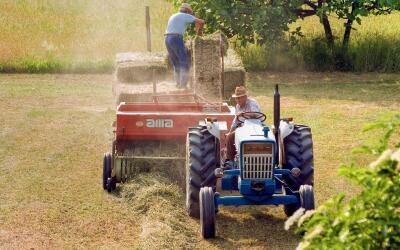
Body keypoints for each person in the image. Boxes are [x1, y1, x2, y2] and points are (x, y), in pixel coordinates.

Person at [165, 3, 205, 89]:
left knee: (176, 63)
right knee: (184, 62)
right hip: (176, 38)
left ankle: (178, 84)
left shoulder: (173, 15)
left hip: (167, 39)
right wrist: (199, 33)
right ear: (187, 11)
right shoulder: (185, 15)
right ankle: (183, 85)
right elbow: (201, 22)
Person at [226, 86, 262, 162]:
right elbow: (235, 121)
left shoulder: (252, 103)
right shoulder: (238, 106)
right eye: (236, 98)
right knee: (229, 137)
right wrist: (229, 132)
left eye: (239, 98)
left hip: (257, 127)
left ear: (245, 97)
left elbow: (255, 114)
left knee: (272, 135)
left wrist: (243, 114)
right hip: (243, 129)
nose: (237, 100)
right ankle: (230, 161)